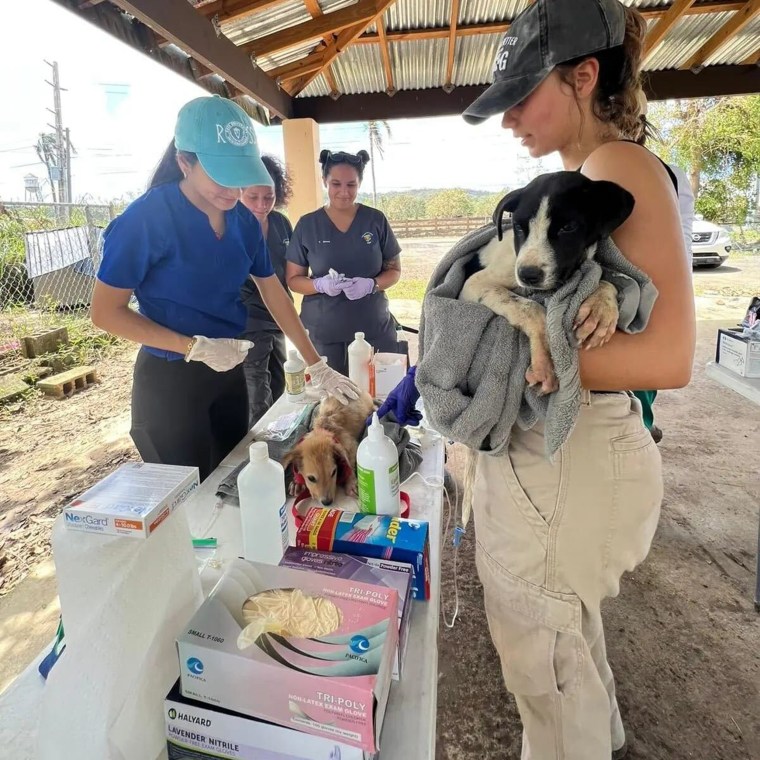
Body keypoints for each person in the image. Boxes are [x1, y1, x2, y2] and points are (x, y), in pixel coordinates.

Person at [461, 1, 694, 759]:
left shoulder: (613, 169)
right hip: (576, 456)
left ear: (583, 76)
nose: (509, 121)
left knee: (547, 668)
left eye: (521, 97)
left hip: (574, 454)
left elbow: (669, 356)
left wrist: (501, 352)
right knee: (567, 646)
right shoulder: (584, 178)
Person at [91, 95, 357, 480]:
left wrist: (317, 363)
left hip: (228, 370)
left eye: (239, 175)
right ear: (185, 162)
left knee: (231, 479)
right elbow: (105, 313)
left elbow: (274, 293)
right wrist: (192, 347)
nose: (233, 191)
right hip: (172, 381)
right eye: (220, 176)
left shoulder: (244, 223)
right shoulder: (147, 220)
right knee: (186, 499)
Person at [285, 149, 402, 375]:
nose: (343, 192)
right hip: (322, 336)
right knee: (330, 405)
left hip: (373, 330)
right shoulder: (308, 225)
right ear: (324, 181)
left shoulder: (375, 220)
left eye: (351, 185)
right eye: (336, 184)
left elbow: (394, 270)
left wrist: (371, 284)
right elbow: (293, 280)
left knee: (378, 400)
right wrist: (320, 285)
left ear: (359, 183)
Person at [633, 94, 696, 443]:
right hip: (659, 286)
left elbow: (678, 237)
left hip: (650, 286)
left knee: (639, 367)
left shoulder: (658, 173)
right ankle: (644, 420)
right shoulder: (669, 173)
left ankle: (641, 426)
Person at [239, 155, 294, 425]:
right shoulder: (230, 226)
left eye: (268, 196)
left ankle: (279, 440)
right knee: (256, 395)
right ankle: (260, 454)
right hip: (247, 325)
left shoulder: (282, 224)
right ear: (237, 192)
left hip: (278, 320)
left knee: (283, 385)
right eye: (253, 197)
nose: (261, 205)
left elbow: (293, 269)